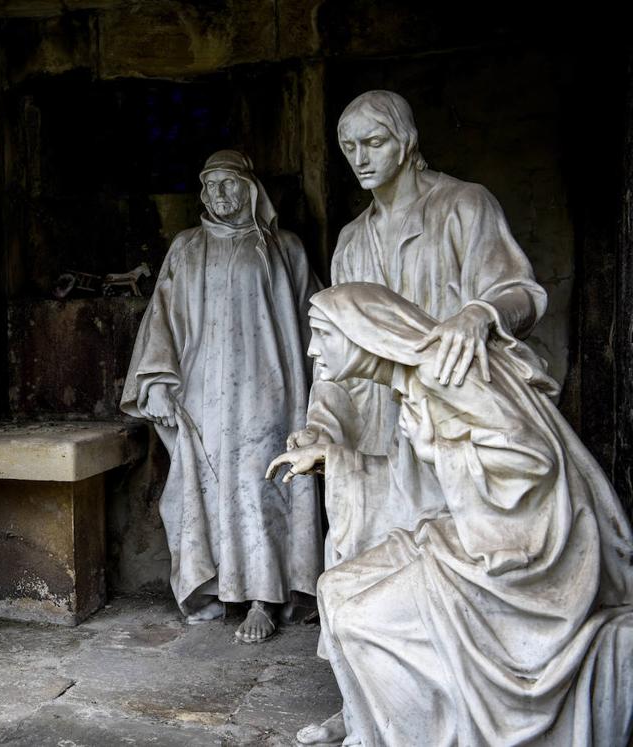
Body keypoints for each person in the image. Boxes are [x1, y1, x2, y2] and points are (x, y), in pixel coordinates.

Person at [288, 91, 549, 745]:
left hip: (450, 425)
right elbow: (336, 354)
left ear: (404, 140)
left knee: (442, 585)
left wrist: (479, 313)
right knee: (361, 562)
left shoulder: (464, 206)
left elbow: (519, 289)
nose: (359, 158)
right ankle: (365, 711)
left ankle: (451, 711)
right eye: (348, 147)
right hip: (376, 429)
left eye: (372, 142)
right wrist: (322, 426)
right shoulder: (351, 241)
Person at [268, 282, 633, 747]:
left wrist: (434, 446)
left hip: (523, 552)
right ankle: (367, 731)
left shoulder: (443, 373)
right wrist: (333, 458)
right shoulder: (413, 384)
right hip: (473, 534)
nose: (313, 349)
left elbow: (531, 462)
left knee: (362, 620)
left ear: (365, 333)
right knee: (334, 586)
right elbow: (409, 487)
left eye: (323, 334)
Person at [120, 149, 322, 643]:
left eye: (228, 183)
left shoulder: (283, 248)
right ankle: (216, 586)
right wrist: (160, 383)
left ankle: (264, 598)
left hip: (271, 391)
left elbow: (317, 320)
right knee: (207, 488)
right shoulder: (187, 248)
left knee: (263, 486)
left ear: (251, 188)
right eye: (208, 185)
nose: (217, 194)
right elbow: (162, 319)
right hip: (203, 393)